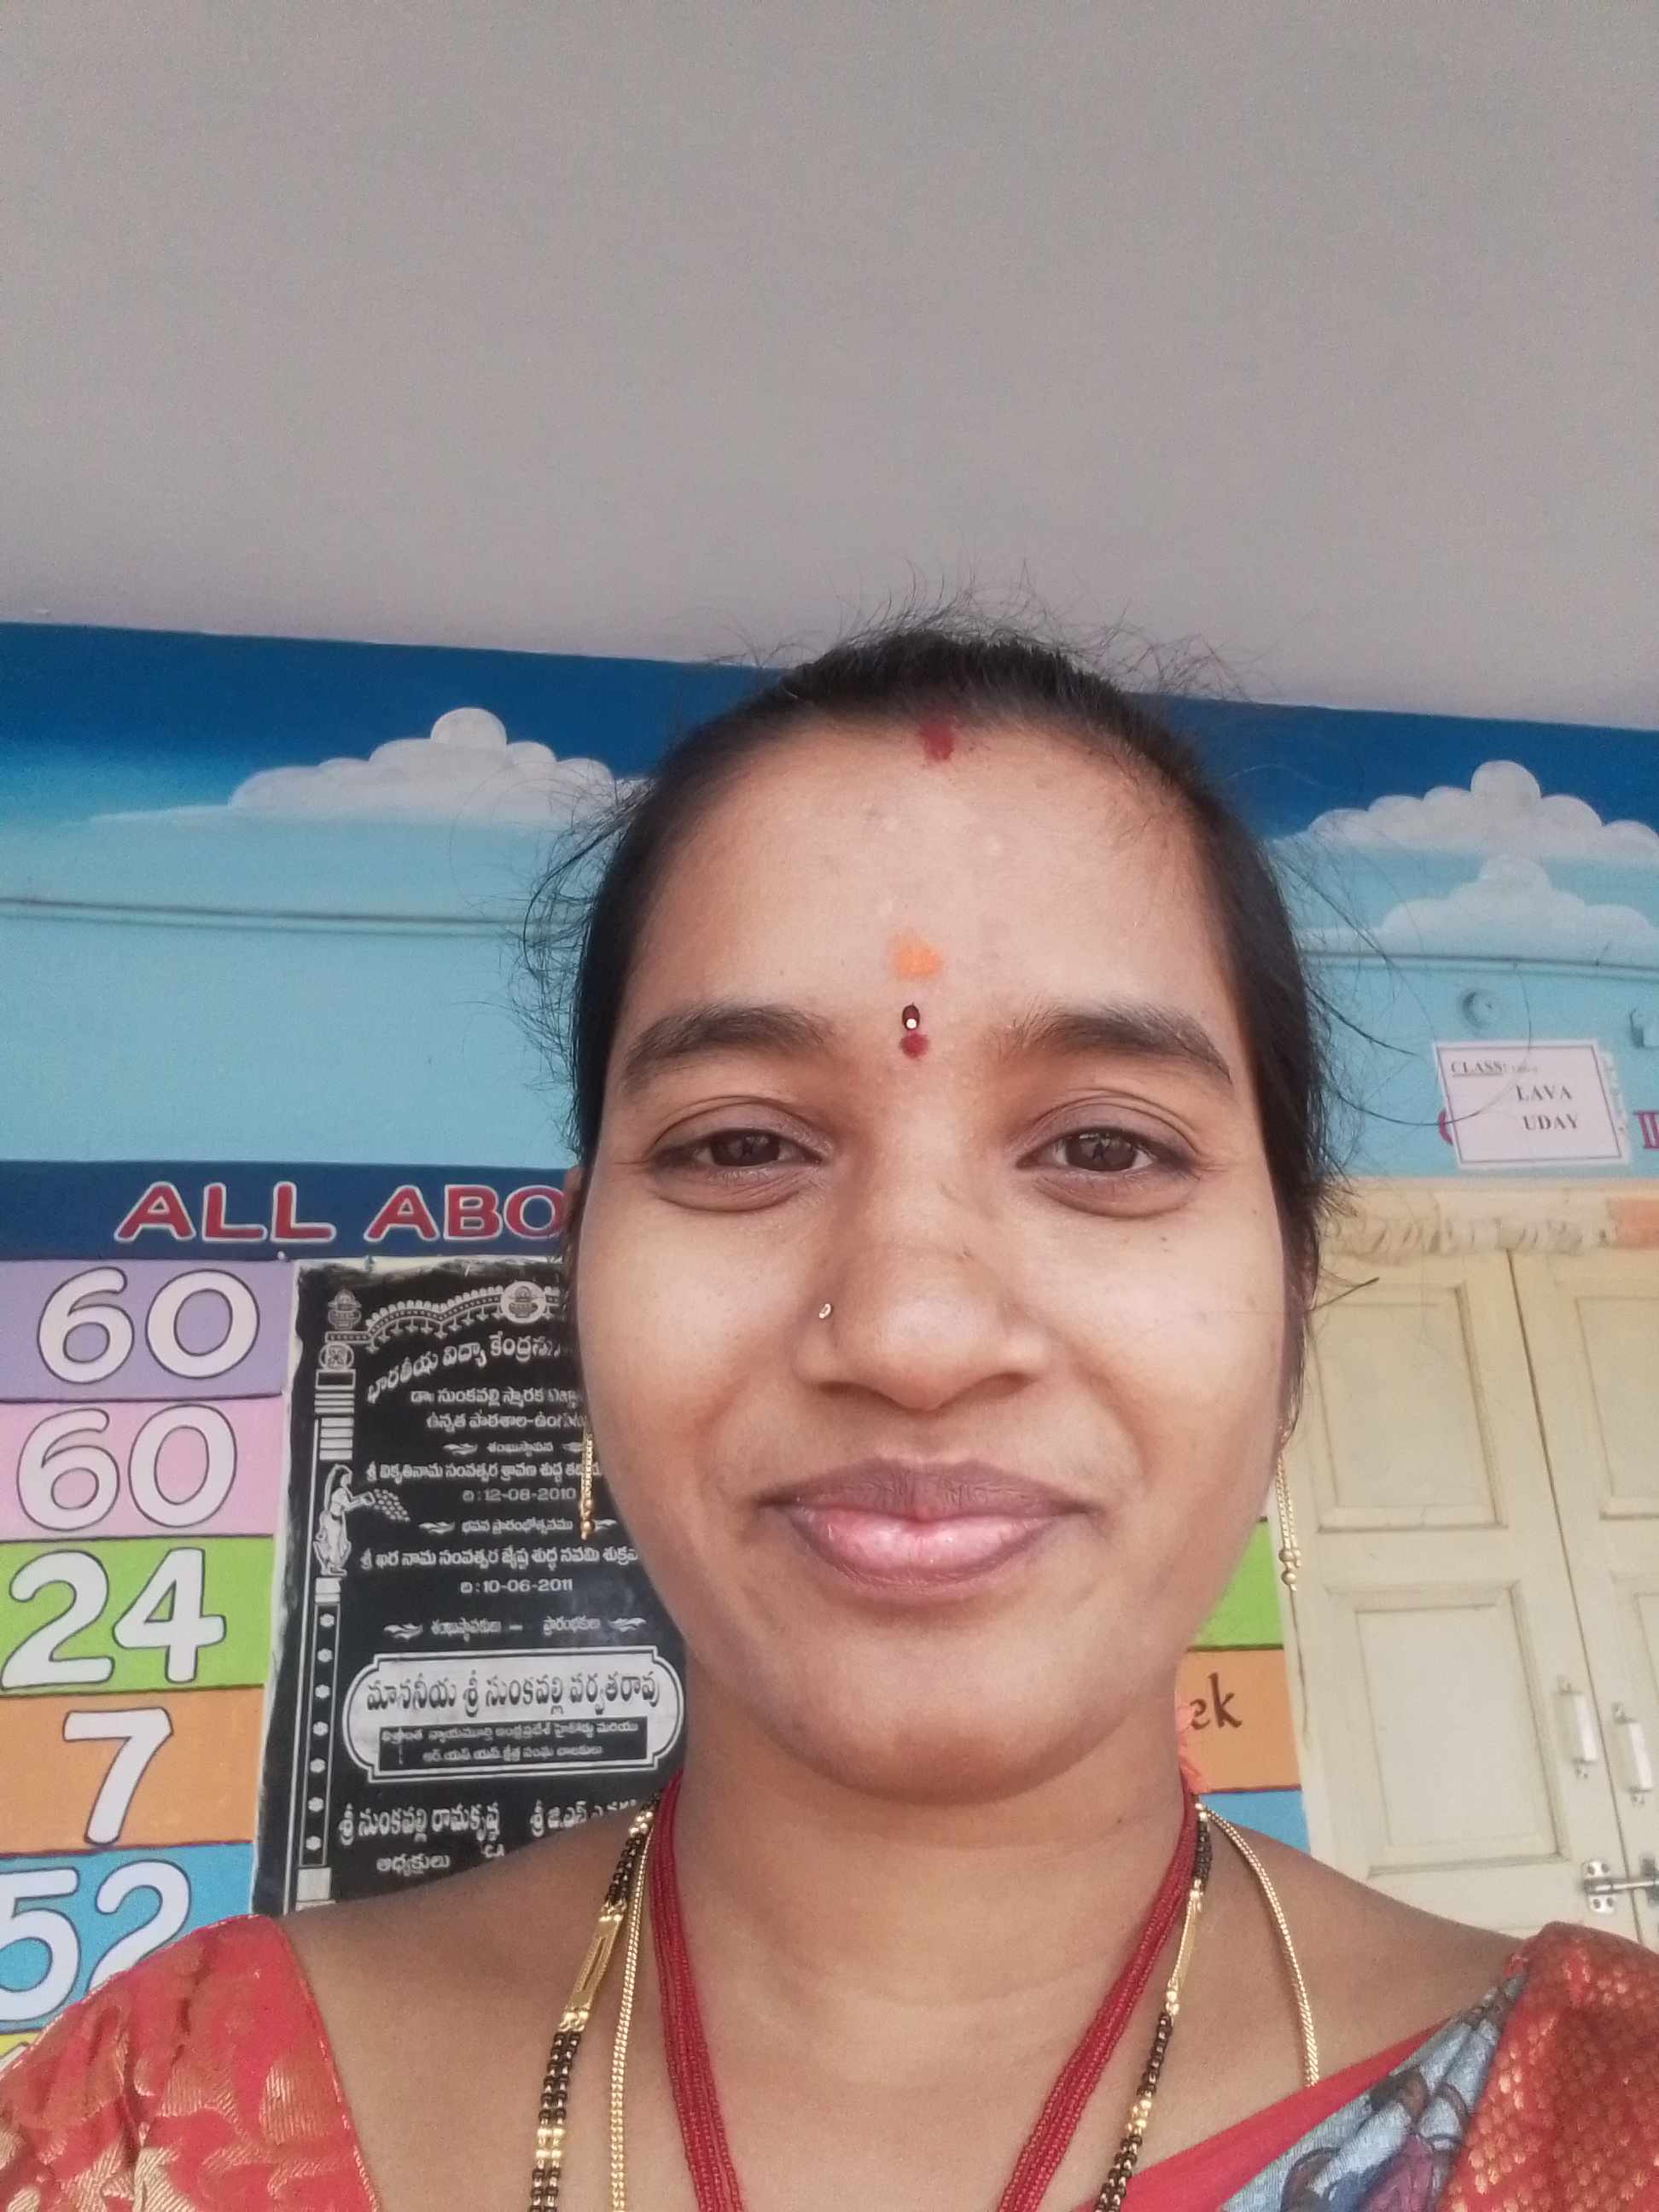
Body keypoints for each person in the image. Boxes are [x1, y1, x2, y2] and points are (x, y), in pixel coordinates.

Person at [4, 618, 1656, 2210]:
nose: (912, 1334)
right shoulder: (153, 2123)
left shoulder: (1610, 2125)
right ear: (575, 1283)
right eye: (740, 1145)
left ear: (1290, 1290)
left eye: (1104, 1148)